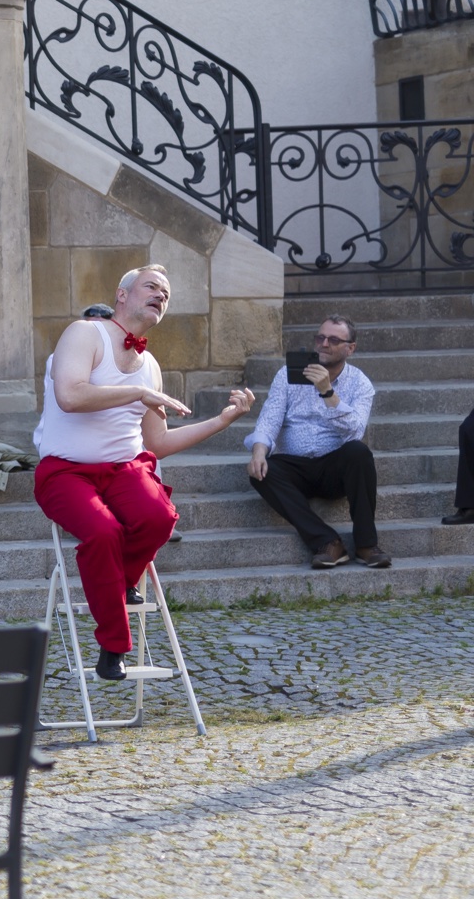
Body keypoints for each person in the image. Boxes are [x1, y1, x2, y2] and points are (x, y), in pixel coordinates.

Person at [34, 266, 255, 680]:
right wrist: (137, 392)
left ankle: (120, 581)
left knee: (160, 517)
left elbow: (158, 443)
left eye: (166, 293)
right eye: (151, 287)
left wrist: (221, 422)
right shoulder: (85, 334)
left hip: (123, 468)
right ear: (122, 294)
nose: (160, 295)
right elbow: (70, 395)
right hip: (65, 472)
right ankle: (113, 646)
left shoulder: (149, 364)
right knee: (102, 532)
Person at [246, 315, 384, 569]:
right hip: (295, 468)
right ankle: (328, 543)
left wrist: (327, 391)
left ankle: (366, 544)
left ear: (350, 348)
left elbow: (355, 431)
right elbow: (270, 417)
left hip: (334, 469)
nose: (324, 344)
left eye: (333, 340)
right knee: (261, 472)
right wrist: (258, 451)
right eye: (320, 338)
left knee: (359, 452)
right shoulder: (288, 374)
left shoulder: (360, 383)